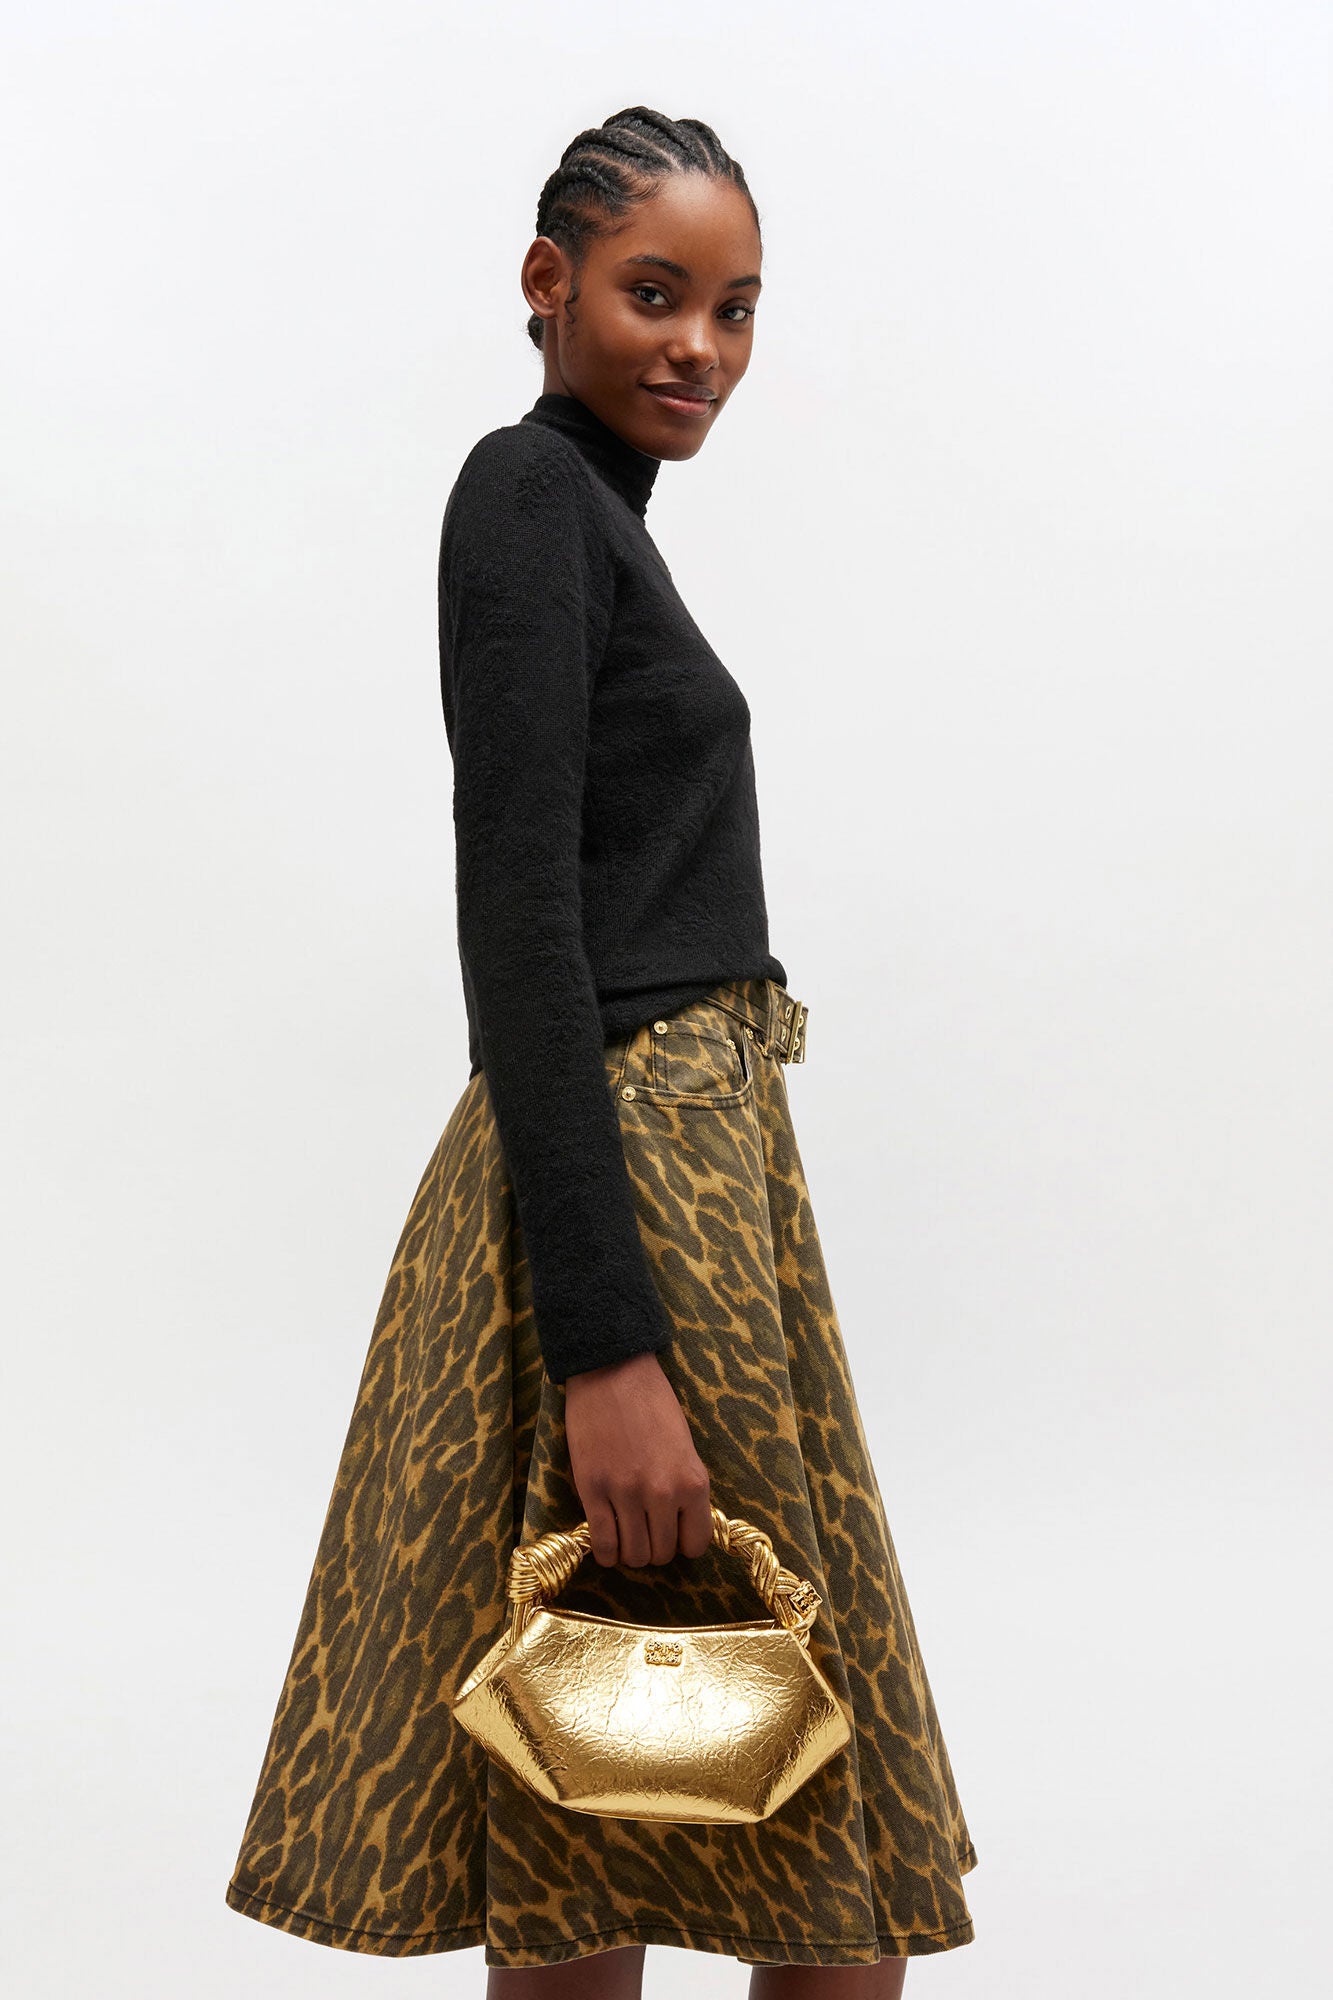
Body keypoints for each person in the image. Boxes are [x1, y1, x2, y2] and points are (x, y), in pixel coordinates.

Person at [224, 105, 978, 1997]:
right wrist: (608, 1348)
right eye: (655, 295)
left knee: (705, 1784)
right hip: (637, 1197)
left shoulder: (594, 521)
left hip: (709, 1183)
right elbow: (520, 931)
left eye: (735, 308)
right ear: (547, 284)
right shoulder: (525, 495)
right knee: (627, 1788)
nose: (699, 348)